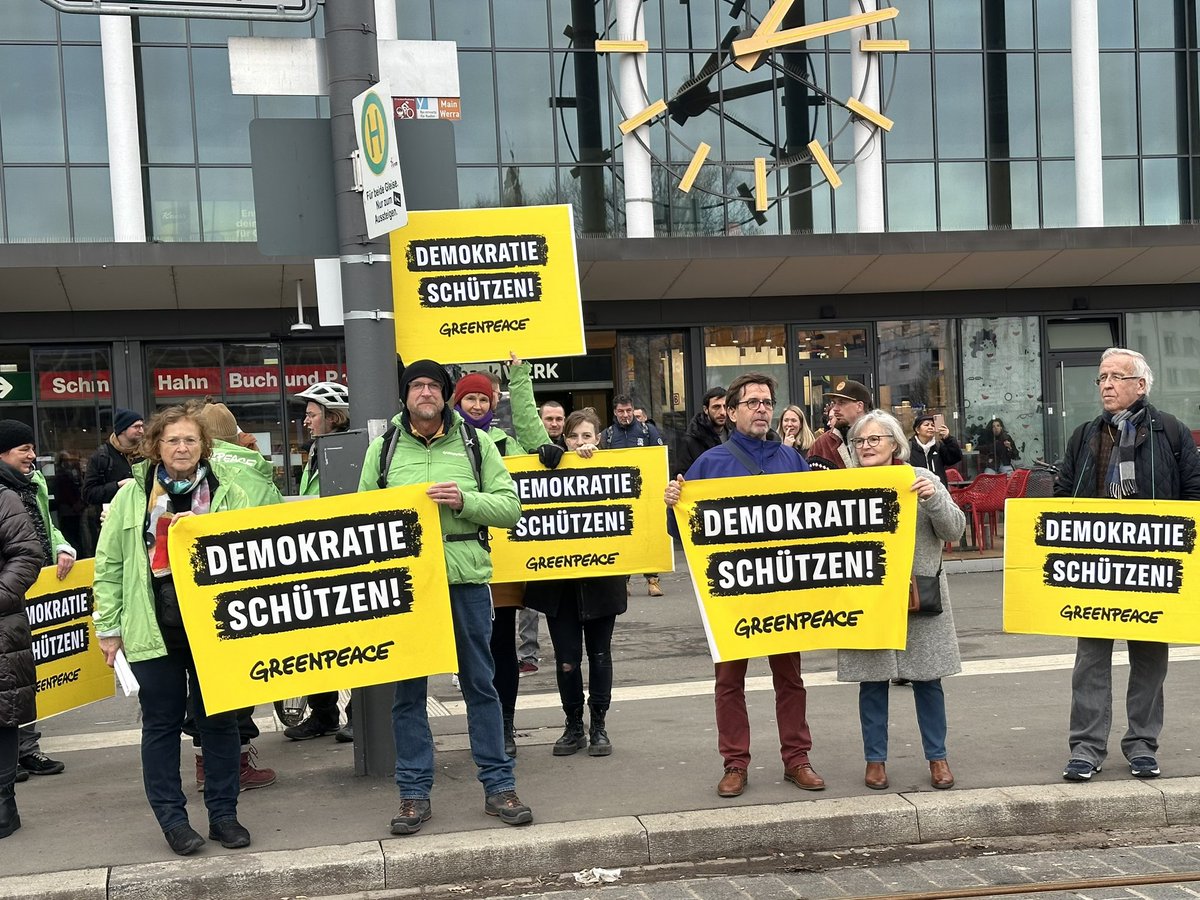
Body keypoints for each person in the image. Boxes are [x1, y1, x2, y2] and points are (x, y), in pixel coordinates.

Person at [359, 359, 532, 835]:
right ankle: (414, 794)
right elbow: (363, 517)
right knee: (408, 696)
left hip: (466, 582)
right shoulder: (384, 449)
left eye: (433, 386)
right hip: (408, 589)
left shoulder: (476, 445)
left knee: (481, 686)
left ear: (445, 395)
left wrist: (464, 500)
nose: (425, 393)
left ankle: (499, 787)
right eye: (416, 386)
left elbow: (512, 507)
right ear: (405, 396)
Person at [93, 404, 252, 855]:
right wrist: (108, 628)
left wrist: (204, 532)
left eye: (190, 440)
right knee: (160, 725)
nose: (181, 448)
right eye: (172, 440)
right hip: (153, 626)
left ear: (203, 446)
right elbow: (109, 565)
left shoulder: (230, 491)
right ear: (155, 447)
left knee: (220, 722)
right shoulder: (131, 495)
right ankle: (173, 821)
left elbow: (251, 552)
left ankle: (224, 815)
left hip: (216, 627)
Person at [664, 373, 825, 799]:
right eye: (752, 402)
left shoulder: (791, 459)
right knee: (729, 682)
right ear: (731, 412)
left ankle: (797, 759)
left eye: (767, 402)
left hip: (783, 588)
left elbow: (815, 522)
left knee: (790, 679)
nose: (761, 409)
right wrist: (673, 503)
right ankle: (735, 762)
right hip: (731, 594)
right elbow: (682, 531)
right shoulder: (709, 464)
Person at [1055, 348, 1200, 783]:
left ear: (1141, 385)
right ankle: (1086, 748)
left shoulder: (1171, 431)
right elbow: (1064, 491)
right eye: (1101, 377)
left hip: (1154, 567)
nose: (1106, 385)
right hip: (1097, 567)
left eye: (1116, 377)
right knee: (1090, 661)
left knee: (1150, 661)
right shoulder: (1085, 434)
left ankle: (1142, 746)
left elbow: (1194, 492)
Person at [837, 410, 965, 791]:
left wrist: (934, 500)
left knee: (928, 680)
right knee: (872, 682)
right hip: (868, 598)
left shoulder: (920, 479)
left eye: (875, 439)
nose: (866, 447)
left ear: (896, 443)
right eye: (860, 441)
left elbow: (954, 528)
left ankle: (938, 758)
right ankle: (875, 761)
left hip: (919, 593)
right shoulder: (846, 485)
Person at [450, 356, 549, 756]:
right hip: (459, 564)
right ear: (456, 403)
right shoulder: (445, 445)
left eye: (484, 400)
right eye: (469, 399)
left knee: (502, 647)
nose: (477, 406)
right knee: (469, 650)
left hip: (504, 565)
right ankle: (481, 726)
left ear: (494, 404)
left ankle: (503, 725)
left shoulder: (508, 444)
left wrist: (520, 376)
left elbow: (531, 428)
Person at [186, 401, 279, 791]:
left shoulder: (190, 470)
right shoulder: (255, 472)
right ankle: (237, 764)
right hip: (246, 592)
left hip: (195, 594)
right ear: (236, 434)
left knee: (204, 680)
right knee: (242, 677)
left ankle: (205, 763)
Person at [524, 409, 627, 759]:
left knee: (600, 656)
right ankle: (573, 725)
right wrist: (550, 457)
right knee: (567, 659)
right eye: (573, 436)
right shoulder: (549, 465)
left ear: (598, 438)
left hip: (601, 583)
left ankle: (599, 724)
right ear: (563, 438)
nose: (580, 443)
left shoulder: (615, 468)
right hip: (560, 587)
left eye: (587, 436)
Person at [0, 420, 72, 778]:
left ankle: (26, 749)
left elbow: (46, 525)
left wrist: (60, 545)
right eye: (23, 449)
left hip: (35, 587)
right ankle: (8, 760)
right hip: (11, 596)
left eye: (32, 447)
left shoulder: (34, 483)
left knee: (23, 675)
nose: (32, 455)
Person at [284, 381, 355, 743]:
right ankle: (324, 712)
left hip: (338, 555)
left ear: (333, 417)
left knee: (355, 637)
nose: (306, 420)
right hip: (316, 552)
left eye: (312, 414)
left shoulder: (345, 449)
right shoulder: (316, 450)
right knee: (317, 640)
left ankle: (357, 714)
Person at [0, 475, 43, 838]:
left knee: (3, 713)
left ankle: (3, 802)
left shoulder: (4, 498)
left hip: (0, 623)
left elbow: (27, 553)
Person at [521, 399, 568, 676]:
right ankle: (529, 654)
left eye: (558, 419)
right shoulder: (526, 449)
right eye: (548, 418)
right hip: (535, 538)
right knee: (530, 603)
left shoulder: (575, 450)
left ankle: (566, 653)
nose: (553, 423)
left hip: (565, 542)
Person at [603, 395, 666, 597]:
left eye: (628, 410)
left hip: (646, 496)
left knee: (649, 536)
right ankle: (624, 581)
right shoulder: (607, 435)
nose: (625, 415)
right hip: (619, 497)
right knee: (623, 539)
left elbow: (659, 461)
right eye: (621, 411)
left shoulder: (648, 431)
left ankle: (652, 581)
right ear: (615, 412)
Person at [84, 408, 144, 539]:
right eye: (136, 426)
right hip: (110, 524)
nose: (142, 430)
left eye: (142, 426)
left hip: (141, 521)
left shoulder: (147, 454)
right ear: (122, 429)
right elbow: (89, 494)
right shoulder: (101, 457)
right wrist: (118, 486)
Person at [807, 380, 873, 471]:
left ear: (859, 406)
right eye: (835, 403)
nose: (835, 409)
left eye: (842, 403)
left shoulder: (883, 438)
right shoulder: (822, 444)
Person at [676, 386, 728, 478]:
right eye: (716, 407)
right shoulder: (691, 440)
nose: (722, 412)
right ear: (705, 409)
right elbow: (682, 477)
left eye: (725, 406)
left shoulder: (735, 434)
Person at [908, 414, 963, 486]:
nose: (930, 427)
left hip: (938, 490)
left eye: (933, 425)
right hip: (917, 490)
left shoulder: (938, 446)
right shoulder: (909, 447)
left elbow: (955, 458)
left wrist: (948, 438)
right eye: (926, 425)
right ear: (917, 430)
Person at [52, 450, 87, 556]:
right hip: (68, 509)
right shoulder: (63, 474)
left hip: (71, 509)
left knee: (76, 534)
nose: (70, 462)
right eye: (67, 460)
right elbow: (65, 491)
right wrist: (75, 504)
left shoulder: (71, 473)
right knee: (70, 535)